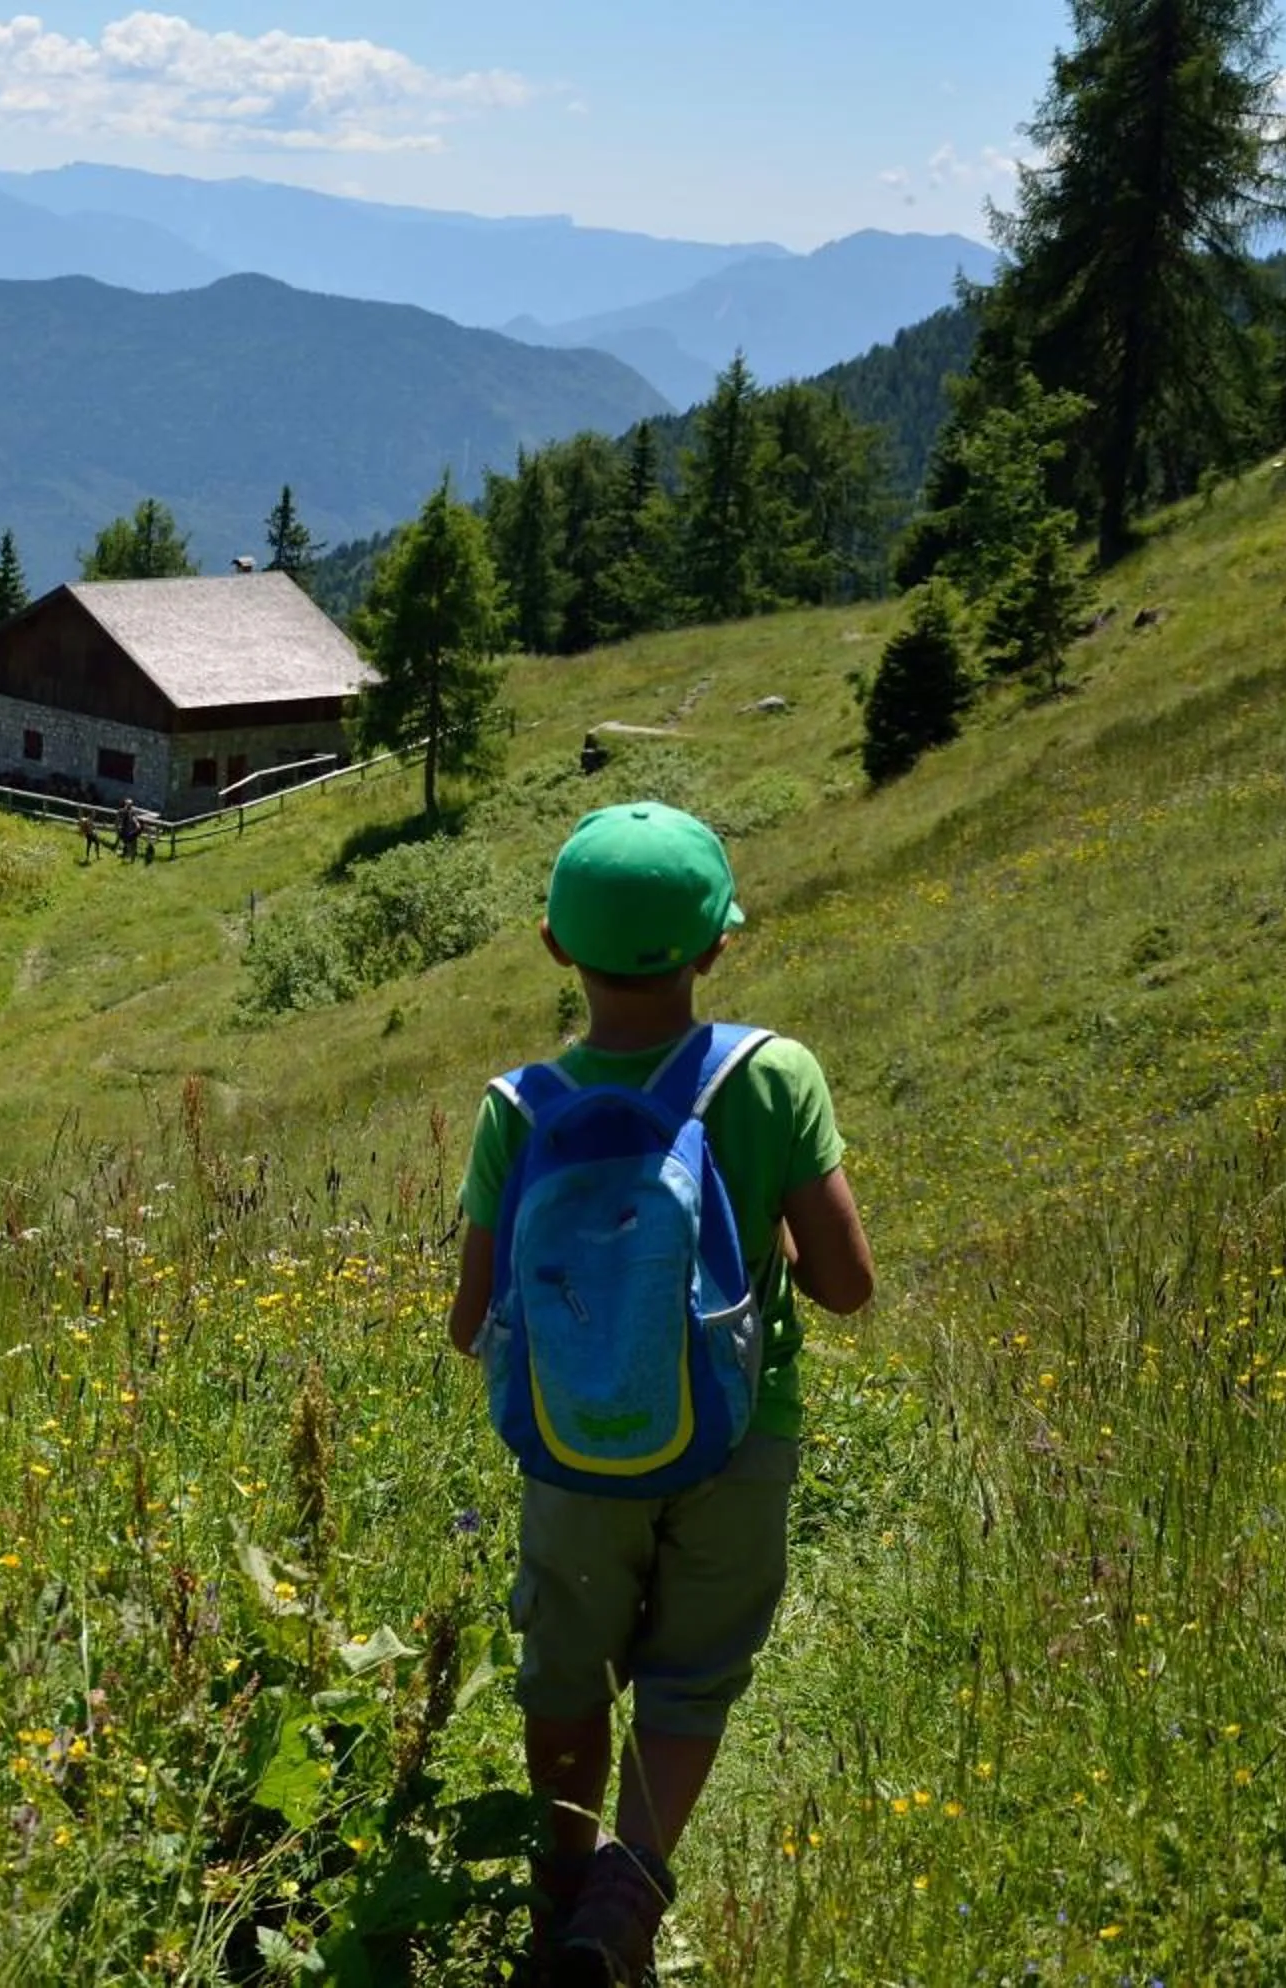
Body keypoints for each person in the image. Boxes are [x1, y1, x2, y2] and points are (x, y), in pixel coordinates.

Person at [444, 802, 873, 1987]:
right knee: (688, 1674)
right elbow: (846, 1285)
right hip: (739, 1440)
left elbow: (470, 1320)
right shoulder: (774, 1074)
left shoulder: (517, 1106)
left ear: (552, 945)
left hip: (572, 1452)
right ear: (717, 945)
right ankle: (624, 1899)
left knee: (565, 1672)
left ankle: (555, 1894)